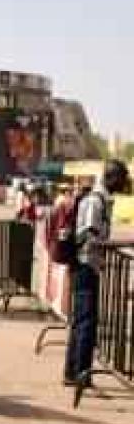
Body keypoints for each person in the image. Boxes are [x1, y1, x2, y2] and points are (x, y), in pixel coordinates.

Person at [64, 160, 131, 387]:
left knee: (82, 320)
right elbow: (89, 239)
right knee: (85, 322)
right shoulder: (94, 201)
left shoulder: (101, 200)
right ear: (111, 177)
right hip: (85, 266)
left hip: (89, 266)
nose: (124, 183)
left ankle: (73, 371)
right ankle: (80, 373)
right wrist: (122, 243)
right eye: (122, 178)